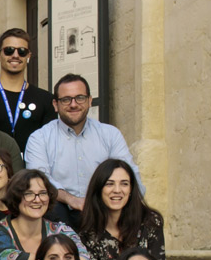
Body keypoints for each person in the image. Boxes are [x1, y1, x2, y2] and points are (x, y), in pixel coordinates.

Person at [24, 73, 138, 209]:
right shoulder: (39, 138)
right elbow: (39, 181)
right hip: (59, 211)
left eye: (80, 98)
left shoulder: (110, 134)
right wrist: (71, 200)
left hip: (103, 209)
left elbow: (129, 174)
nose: (73, 104)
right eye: (66, 99)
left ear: (89, 101)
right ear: (55, 104)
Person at [78, 159, 167, 260]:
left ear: (131, 189)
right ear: (99, 189)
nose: (117, 190)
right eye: (109, 184)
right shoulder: (86, 232)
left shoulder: (150, 222)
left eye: (124, 184)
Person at [0, 29, 55, 149]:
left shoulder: (45, 99)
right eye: (9, 50)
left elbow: (50, 143)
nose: (15, 55)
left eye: (22, 51)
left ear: (28, 56)